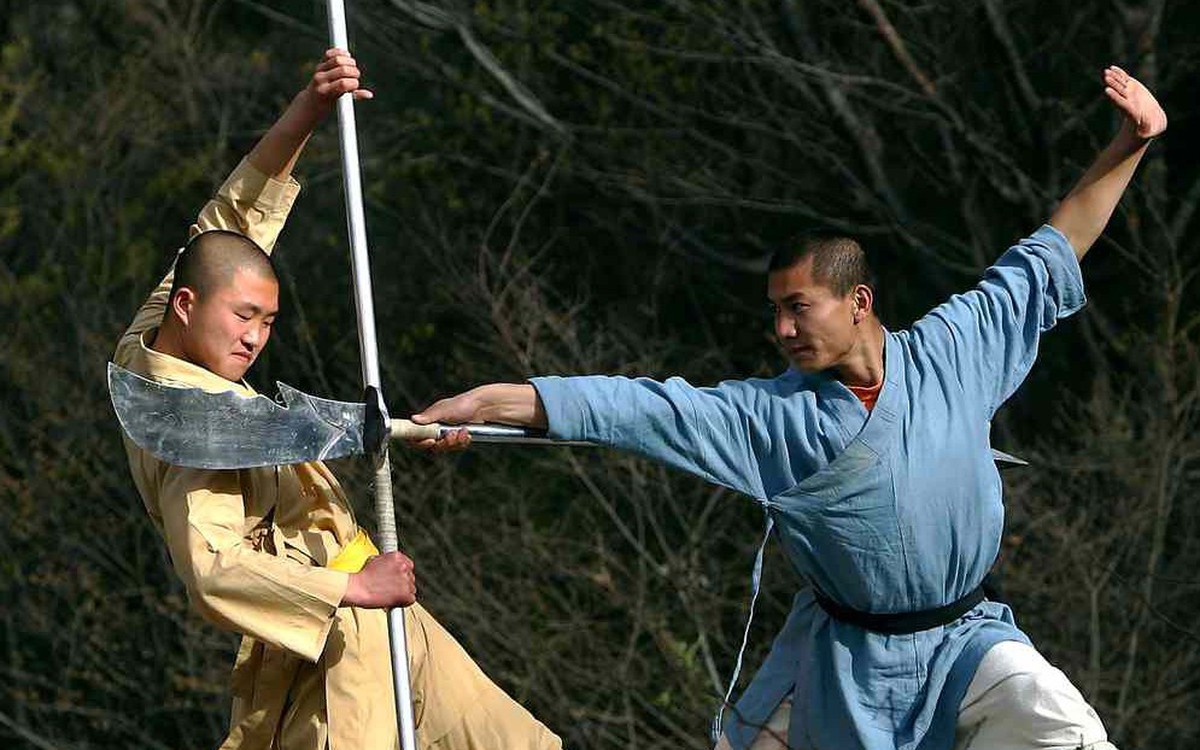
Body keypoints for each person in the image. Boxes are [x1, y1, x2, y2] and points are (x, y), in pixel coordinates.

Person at [411, 66, 1167, 750]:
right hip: (847, 661)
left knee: (1065, 729)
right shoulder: (772, 418)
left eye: (798, 308)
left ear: (858, 301)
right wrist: (489, 402)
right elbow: (636, 408)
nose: (781, 330)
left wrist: (1132, 141)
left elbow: (1051, 249)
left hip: (967, 641)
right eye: (774, 311)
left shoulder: (954, 349)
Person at [113, 49, 561, 750]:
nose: (256, 339)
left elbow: (233, 220)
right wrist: (356, 591)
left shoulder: (161, 323)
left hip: (392, 611)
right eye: (244, 318)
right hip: (336, 637)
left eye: (267, 322)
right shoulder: (186, 429)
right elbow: (210, 569)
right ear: (190, 304)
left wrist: (309, 109)